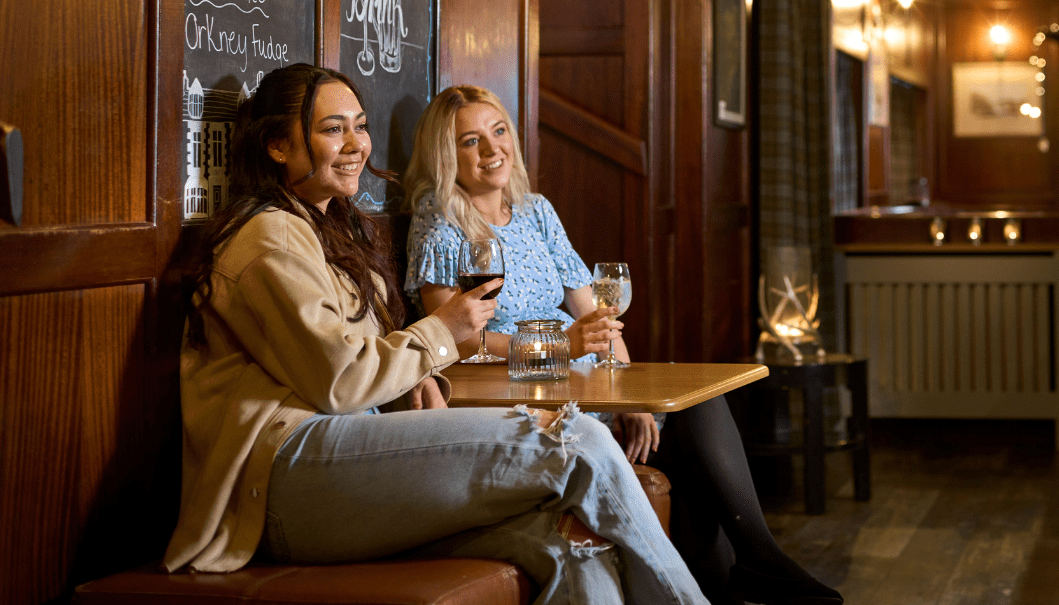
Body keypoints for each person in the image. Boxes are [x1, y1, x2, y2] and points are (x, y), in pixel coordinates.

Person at [164, 62, 713, 605]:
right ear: (277, 147)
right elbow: (341, 382)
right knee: (576, 440)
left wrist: (412, 380)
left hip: (343, 458)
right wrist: (439, 334)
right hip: (285, 475)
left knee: (569, 542)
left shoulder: (330, 227)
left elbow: (346, 358)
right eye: (333, 129)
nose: (356, 143)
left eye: (360, 125)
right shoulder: (271, 237)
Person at [404, 84, 843, 605]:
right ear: (445, 156)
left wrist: (629, 391)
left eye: (498, 131)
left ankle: (754, 559)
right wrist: (557, 346)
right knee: (687, 451)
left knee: (696, 413)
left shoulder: (535, 210)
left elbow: (595, 314)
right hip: (523, 392)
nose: (492, 148)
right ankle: (753, 568)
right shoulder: (439, 219)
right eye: (470, 141)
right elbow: (451, 333)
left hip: (587, 378)